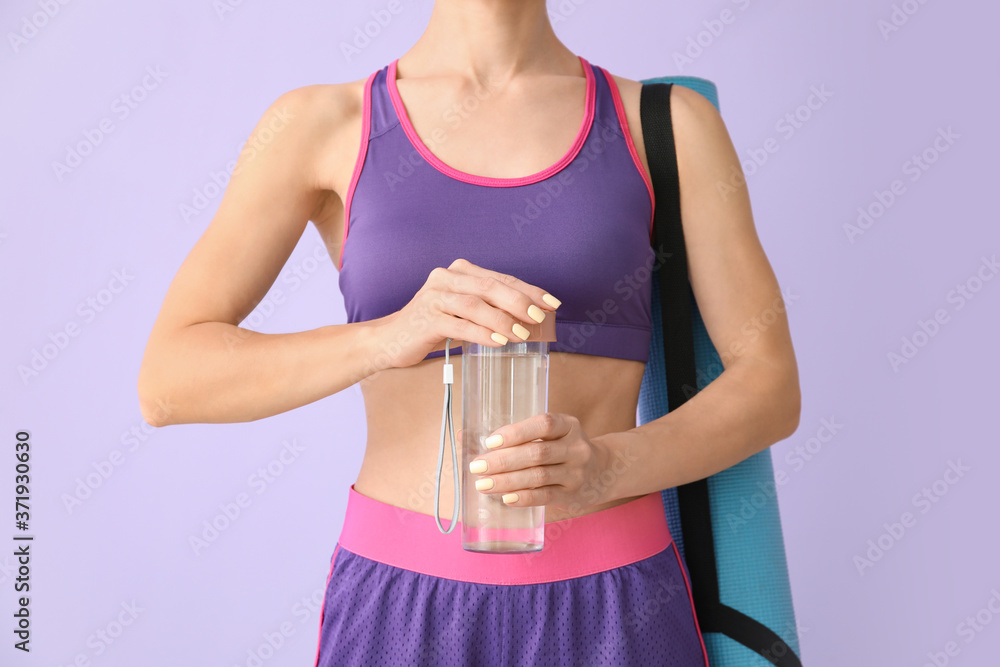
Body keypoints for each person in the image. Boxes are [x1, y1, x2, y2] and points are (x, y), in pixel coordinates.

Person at [138, 1, 800, 664]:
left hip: (618, 601)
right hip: (401, 605)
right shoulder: (321, 124)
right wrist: (388, 336)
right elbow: (169, 381)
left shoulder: (668, 125)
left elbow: (769, 382)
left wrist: (606, 468)